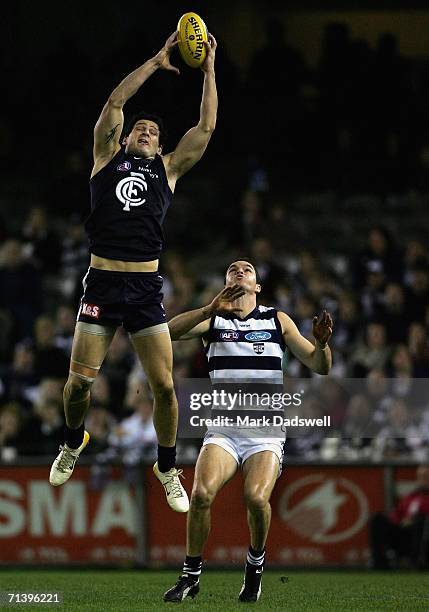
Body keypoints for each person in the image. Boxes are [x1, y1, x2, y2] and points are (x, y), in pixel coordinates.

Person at [49, 30, 218, 514]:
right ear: (125, 137)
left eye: (153, 132)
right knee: (79, 383)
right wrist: (156, 60)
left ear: (161, 144)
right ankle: (72, 440)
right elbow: (115, 100)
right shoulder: (105, 158)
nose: (145, 132)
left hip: (144, 287)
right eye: (139, 129)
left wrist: (207, 71)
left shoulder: (168, 169)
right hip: (101, 281)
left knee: (164, 386)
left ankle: (167, 466)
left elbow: (205, 129)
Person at [163, 260, 333, 602]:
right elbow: (167, 333)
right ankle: (190, 576)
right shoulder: (213, 319)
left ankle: (254, 569)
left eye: (248, 270)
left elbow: (320, 365)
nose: (240, 271)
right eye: (233, 269)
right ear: (226, 281)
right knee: (200, 495)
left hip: (266, 432)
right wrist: (210, 307)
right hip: (223, 430)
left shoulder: (276, 319)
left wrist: (322, 343)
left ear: (257, 286)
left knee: (256, 499)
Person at [369, 464, 429, 569]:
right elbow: (396, 514)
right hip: (405, 533)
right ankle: (379, 563)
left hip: (423, 535)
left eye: (426, 476)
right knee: (377, 519)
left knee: (421, 521)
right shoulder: (412, 496)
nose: (423, 480)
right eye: (420, 476)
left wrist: (415, 519)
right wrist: (400, 521)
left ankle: (418, 562)